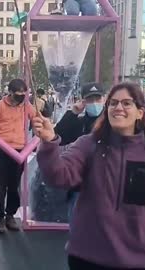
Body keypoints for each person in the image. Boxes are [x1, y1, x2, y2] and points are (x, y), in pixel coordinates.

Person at [33, 82, 145, 269]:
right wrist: (49, 143)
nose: (118, 108)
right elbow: (59, 175)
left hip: (136, 261)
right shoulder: (89, 144)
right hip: (86, 259)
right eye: (113, 103)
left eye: (126, 103)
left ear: (140, 112)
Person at [0, 78, 36, 234]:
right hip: (1, 152)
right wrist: (1, 143)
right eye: (18, 94)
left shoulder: (26, 106)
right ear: (10, 93)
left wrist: (40, 130)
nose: (21, 98)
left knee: (14, 186)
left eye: (24, 95)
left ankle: (10, 215)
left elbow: (38, 121)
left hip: (20, 151)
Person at [54, 82, 106, 224]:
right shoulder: (79, 123)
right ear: (83, 101)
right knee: (78, 232)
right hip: (80, 187)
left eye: (97, 99)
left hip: (106, 188)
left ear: (104, 99)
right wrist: (73, 113)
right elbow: (57, 136)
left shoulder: (112, 123)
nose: (94, 103)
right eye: (90, 100)